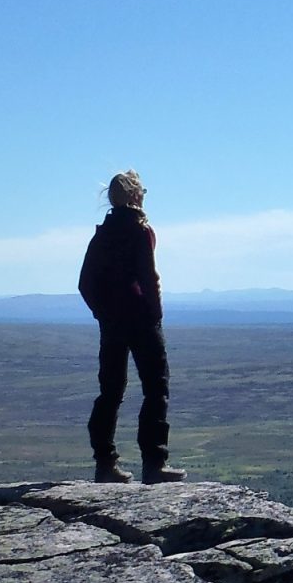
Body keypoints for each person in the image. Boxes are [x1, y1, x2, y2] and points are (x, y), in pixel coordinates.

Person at [79, 170, 186, 484]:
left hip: (112, 322)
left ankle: (105, 464)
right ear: (136, 195)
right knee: (156, 386)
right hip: (140, 318)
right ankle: (154, 464)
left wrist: (103, 312)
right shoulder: (141, 231)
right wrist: (155, 314)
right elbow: (148, 278)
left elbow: (85, 283)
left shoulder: (102, 235)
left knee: (110, 391)